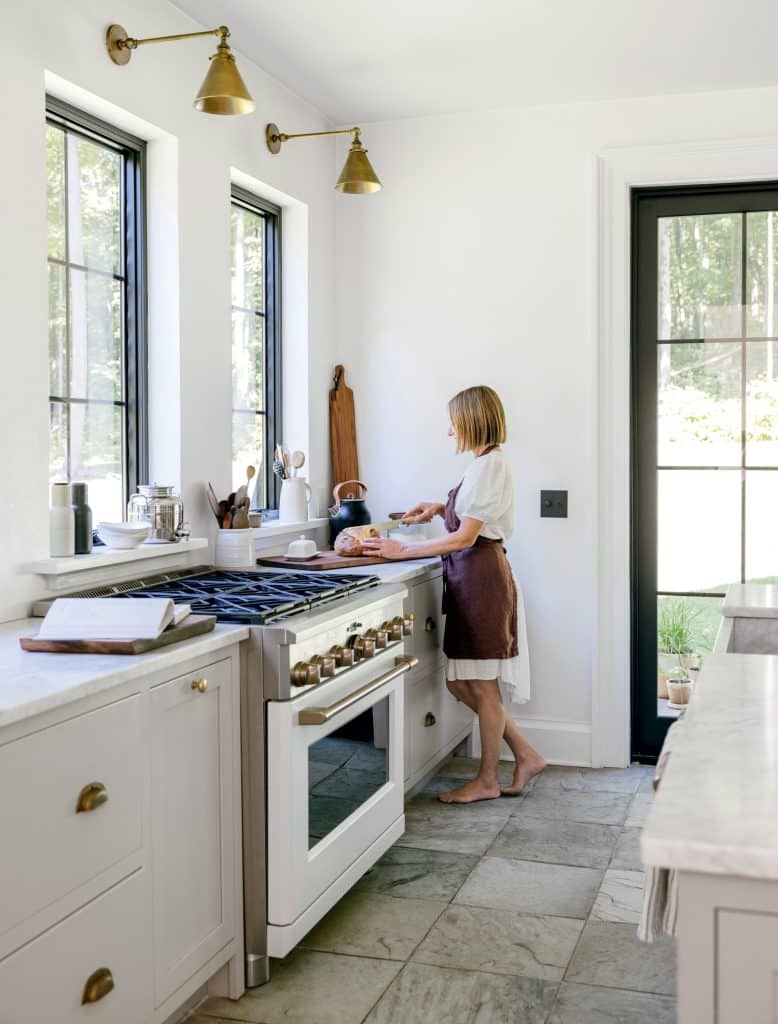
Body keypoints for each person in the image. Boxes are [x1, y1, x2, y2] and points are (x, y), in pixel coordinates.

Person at [362, 385, 546, 803]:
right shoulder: (484, 465)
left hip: (481, 581)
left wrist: (402, 549)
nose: (449, 432)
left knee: (481, 688)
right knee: (464, 685)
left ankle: (487, 780)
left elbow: (466, 536)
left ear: (471, 421)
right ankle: (526, 755)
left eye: (453, 423)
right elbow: (470, 516)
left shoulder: (490, 467)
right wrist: (435, 507)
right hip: (472, 580)